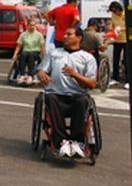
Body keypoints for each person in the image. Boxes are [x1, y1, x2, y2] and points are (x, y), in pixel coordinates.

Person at [37, 26, 97, 158]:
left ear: (79, 38)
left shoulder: (87, 58)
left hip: (77, 96)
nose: (65, 37)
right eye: (64, 34)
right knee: (50, 99)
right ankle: (61, 141)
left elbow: (92, 83)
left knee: (83, 101)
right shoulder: (54, 53)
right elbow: (41, 70)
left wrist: (74, 74)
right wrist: (41, 74)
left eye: (69, 34)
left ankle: (77, 142)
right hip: (56, 95)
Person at [12, 19, 46, 85]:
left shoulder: (39, 35)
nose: (32, 27)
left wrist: (44, 57)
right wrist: (15, 54)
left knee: (30, 55)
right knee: (23, 54)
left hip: (35, 52)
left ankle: (31, 76)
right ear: (28, 25)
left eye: (33, 25)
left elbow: (42, 47)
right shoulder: (24, 34)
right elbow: (19, 46)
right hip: (26, 50)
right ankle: (22, 75)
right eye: (31, 25)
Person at [108, 1, 127, 87]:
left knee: (126, 61)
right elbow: (112, 24)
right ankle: (115, 78)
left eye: (116, 11)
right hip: (117, 40)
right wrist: (111, 27)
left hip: (126, 40)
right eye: (113, 11)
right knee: (115, 59)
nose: (115, 13)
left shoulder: (126, 14)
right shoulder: (113, 16)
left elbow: (130, 25)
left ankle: (128, 81)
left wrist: (121, 29)